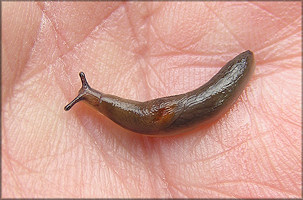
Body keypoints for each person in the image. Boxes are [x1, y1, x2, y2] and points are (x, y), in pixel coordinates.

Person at [2, 1, 301, 198]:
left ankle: (95, 99)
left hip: (237, 70)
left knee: (172, 107)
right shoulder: (153, 117)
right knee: (161, 111)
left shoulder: (155, 117)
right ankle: (95, 99)